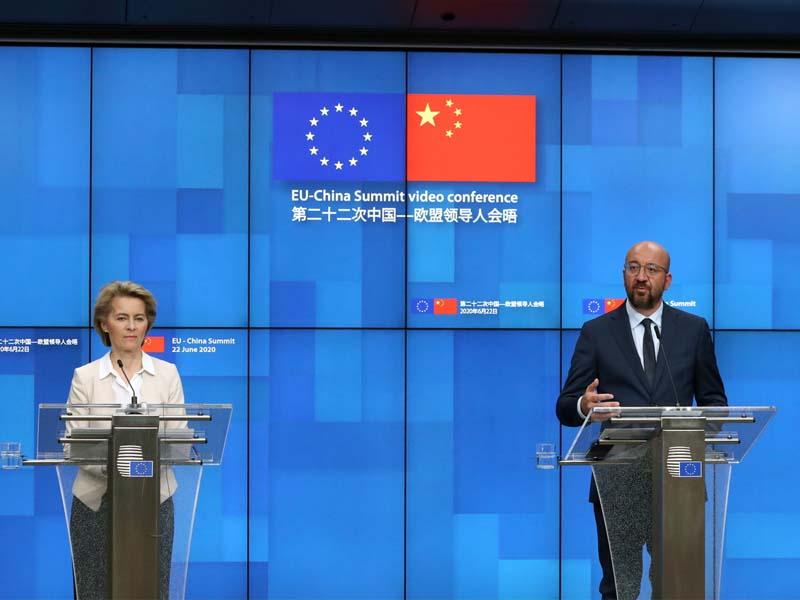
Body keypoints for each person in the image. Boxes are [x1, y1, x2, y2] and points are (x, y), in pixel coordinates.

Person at [556, 241, 727, 600]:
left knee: (676, 587)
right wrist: (585, 406)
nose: (641, 276)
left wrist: (692, 443)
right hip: (617, 481)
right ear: (624, 275)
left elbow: (715, 404)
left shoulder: (693, 330)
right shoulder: (596, 332)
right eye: (633, 267)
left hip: (678, 478)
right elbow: (566, 406)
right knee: (621, 587)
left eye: (651, 269)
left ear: (667, 279)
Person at [66, 281, 184, 600]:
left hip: (154, 500)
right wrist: (123, 470)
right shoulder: (85, 377)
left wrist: (138, 470)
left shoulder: (168, 374)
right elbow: (75, 444)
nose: (131, 326)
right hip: (95, 501)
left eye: (139, 318)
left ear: (147, 324)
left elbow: (178, 439)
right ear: (105, 324)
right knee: (94, 590)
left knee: (151, 588)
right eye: (121, 318)